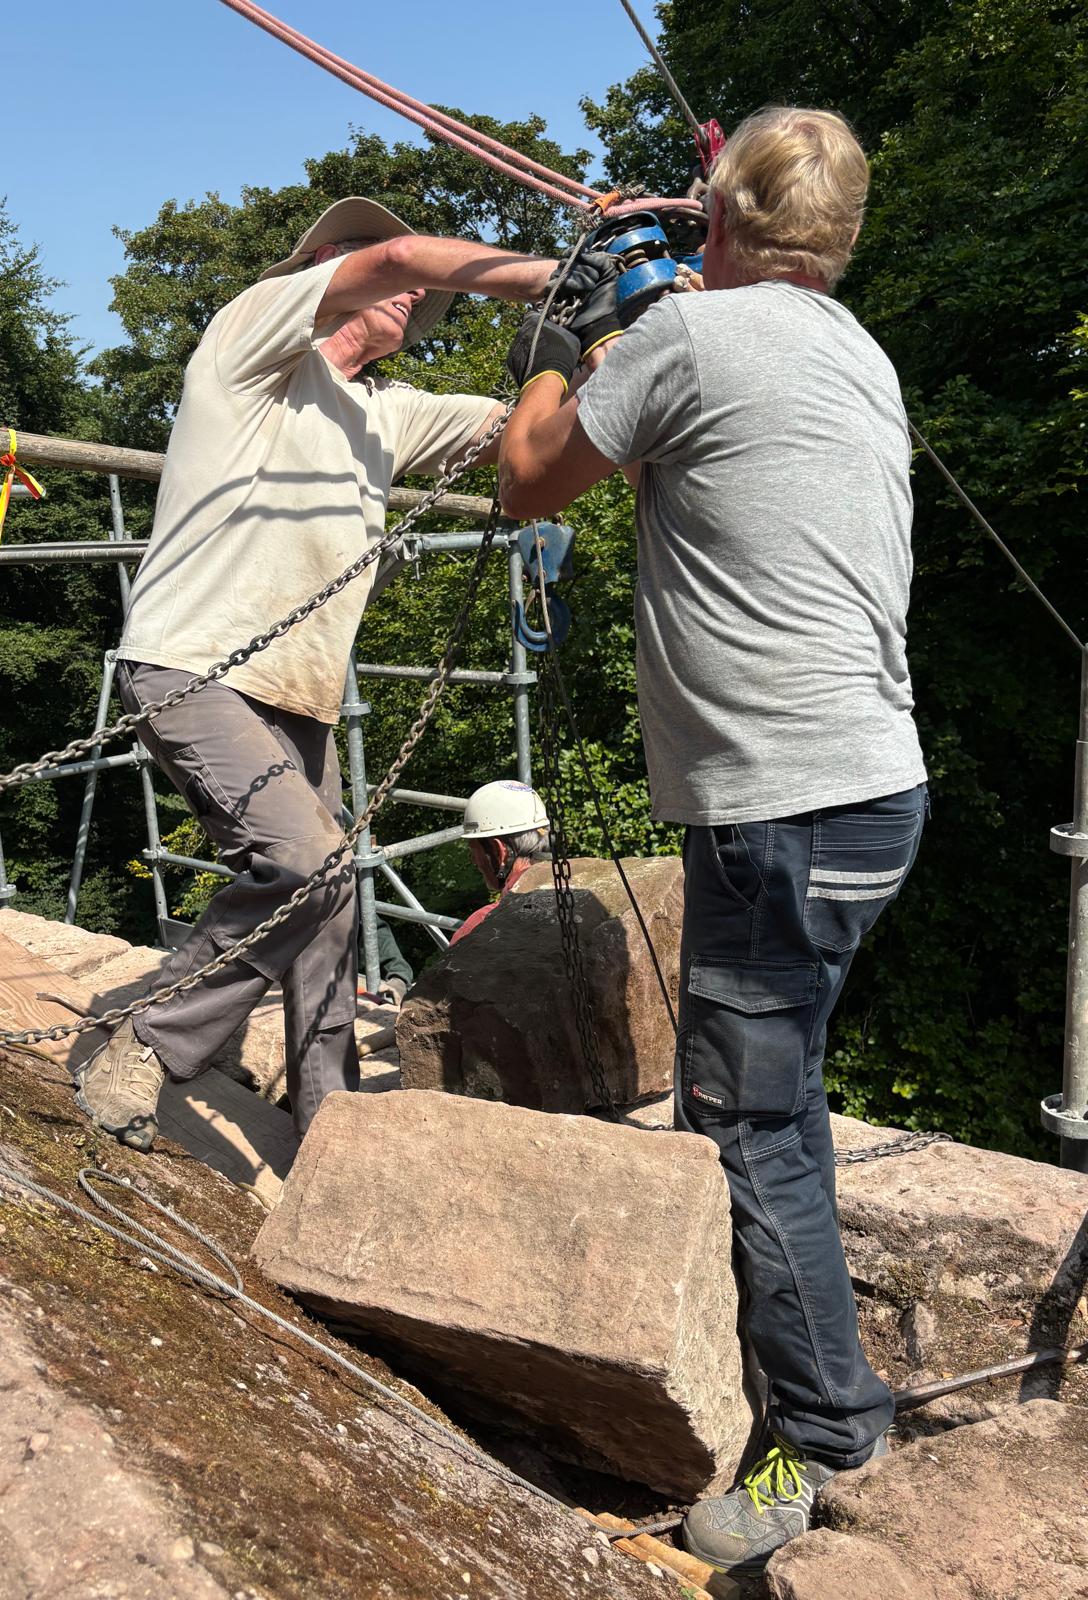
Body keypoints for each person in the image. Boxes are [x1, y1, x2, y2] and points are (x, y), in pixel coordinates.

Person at [497, 107, 928, 1576]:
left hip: (776, 806)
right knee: (780, 1096)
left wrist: (557, 338)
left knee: (745, 1122)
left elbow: (530, 474)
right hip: (875, 791)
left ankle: (823, 1436)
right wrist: (687, 254)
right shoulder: (856, 350)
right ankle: (807, 1382)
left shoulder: (687, 337)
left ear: (726, 218)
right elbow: (694, 437)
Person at [75, 196, 558, 1153]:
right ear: (325, 268)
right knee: (305, 864)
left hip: (298, 696)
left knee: (329, 903)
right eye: (376, 261)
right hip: (193, 664)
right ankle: (147, 1044)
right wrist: (552, 277)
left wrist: (585, 349)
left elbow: (532, 434)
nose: (409, 287)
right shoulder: (251, 345)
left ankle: (329, 1119)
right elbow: (405, 256)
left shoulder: (385, 413)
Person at [450, 780, 550, 946]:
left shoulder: (480, 927)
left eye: (474, 851)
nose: (473, 860)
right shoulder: (582, 895)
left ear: (499, 851)